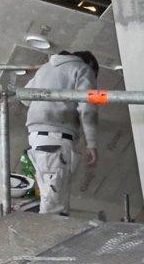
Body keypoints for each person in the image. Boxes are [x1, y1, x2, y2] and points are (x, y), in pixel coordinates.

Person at [24, 49, 101, 216]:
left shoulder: (44, 68)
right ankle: (46, 241)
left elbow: (24, 97)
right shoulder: (82, 69)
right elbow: (88, 108)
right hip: (56, 140)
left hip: (37, 139)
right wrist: (92, 144)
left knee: (52, 199)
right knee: (54, 208)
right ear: (90, 66)